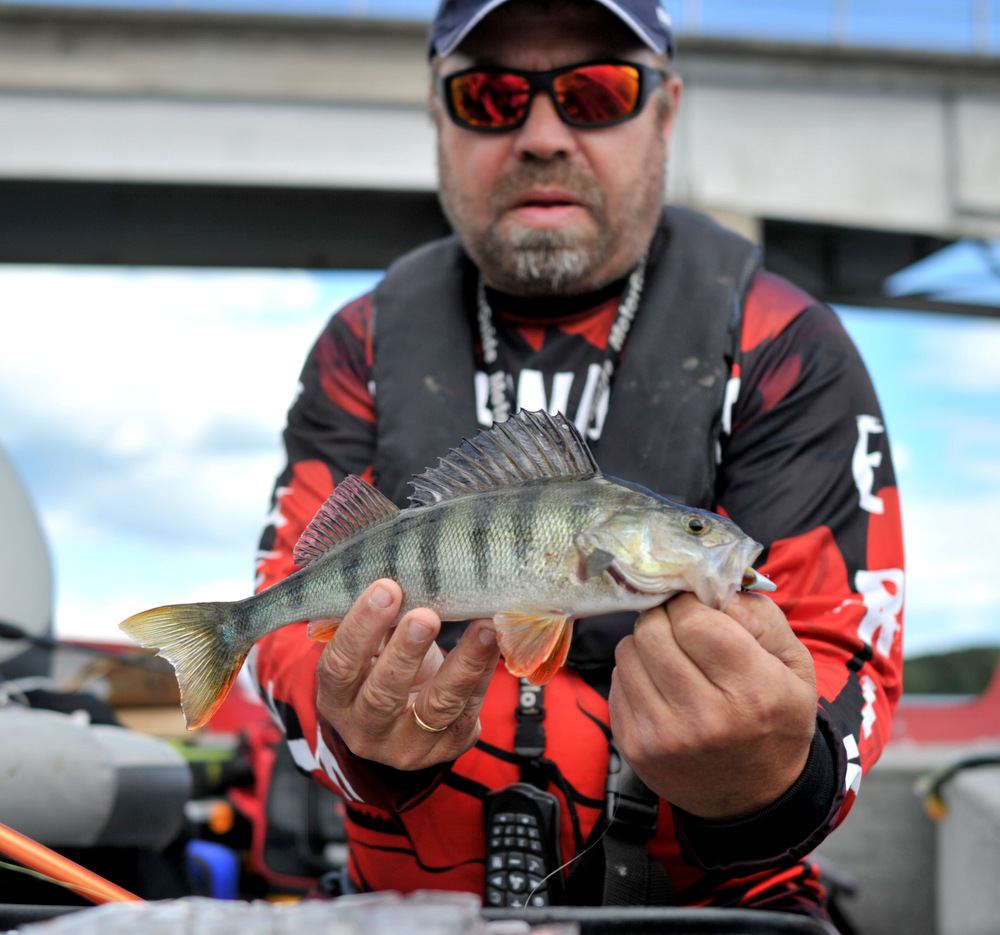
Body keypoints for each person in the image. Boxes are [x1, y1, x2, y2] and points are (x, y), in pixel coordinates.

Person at [250, 0, 904, 920]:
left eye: (597, 92)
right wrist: (350, 727)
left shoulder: (785, 344)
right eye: (490, 96)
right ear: (438, 116)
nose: (544, 135)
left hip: (710, 911)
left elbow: (846, 650)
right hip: (409, 906)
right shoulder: (358, 346)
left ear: (666, 110)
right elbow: (284, 606)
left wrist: (772, 776)